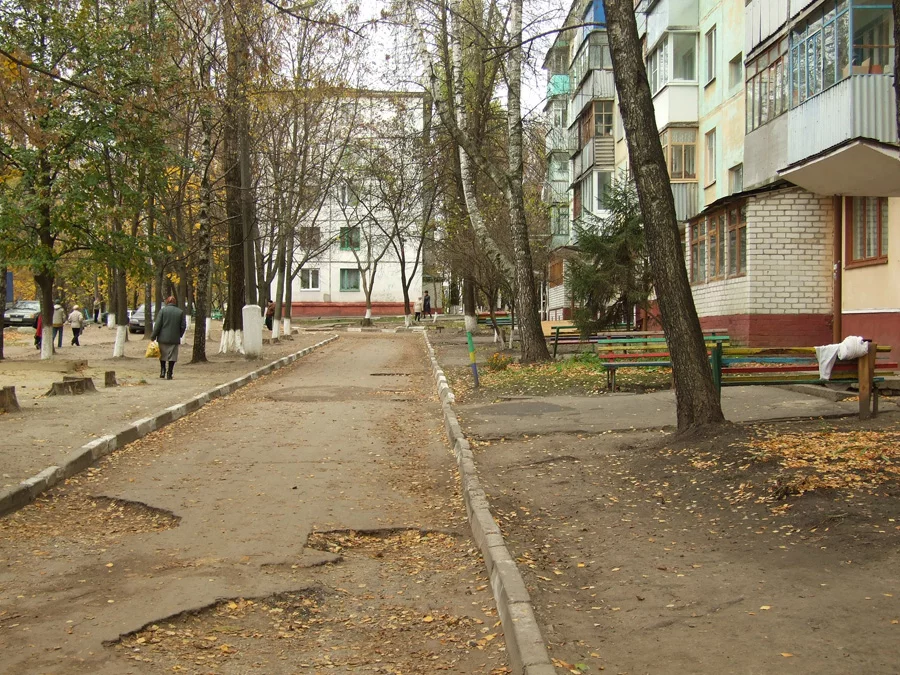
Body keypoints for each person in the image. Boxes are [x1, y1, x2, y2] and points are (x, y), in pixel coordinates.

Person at [151, 296, 186, 380]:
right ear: (175, 302)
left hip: (163, 337)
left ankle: (162, 371)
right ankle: (170, 372)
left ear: (167, 302)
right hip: (174, 338)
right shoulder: (180, 312)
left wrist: (153, 336)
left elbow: (158, 325)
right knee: (172, 356)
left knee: (162, 355)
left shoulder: (163, 311)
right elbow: (183, 326)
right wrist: (179, 335)